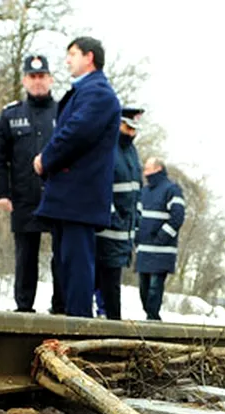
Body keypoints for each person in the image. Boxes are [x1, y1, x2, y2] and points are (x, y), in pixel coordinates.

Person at [32, 36, 121, 318]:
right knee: (65, 264)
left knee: (77, 265)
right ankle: (69, 320)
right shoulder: (85, 92)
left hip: (79, 198)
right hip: (69, 197)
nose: (67, 60)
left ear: (89, 57)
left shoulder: (98, 94)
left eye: (72, 54)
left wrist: (46, 159)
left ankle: (79, 324)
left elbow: (76, 133)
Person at [0, 53, 57, 312]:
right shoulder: (11, 114)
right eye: (32, 76)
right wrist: (0, 193)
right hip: (23, 195)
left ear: (50, 79)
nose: (37, 81)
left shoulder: (63, 112)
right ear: (25, 80)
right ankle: (24, 308)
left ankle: (60, 307)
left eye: (42, 76)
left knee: (62, 256)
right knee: (25, 257)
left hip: (57, 196)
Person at [95, 107, 144, 320]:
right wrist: (112, 216)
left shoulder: (131, 152)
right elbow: (100, 186)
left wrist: (137, 217)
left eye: (134, 129)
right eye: (127, 127)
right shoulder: (107, 148)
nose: (131, 133)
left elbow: (137, 188)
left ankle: (111, 321)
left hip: (125, 232)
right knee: (103, 281)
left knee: (111, 282)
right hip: (107, 230)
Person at [134, 157, 186, 321]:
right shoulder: (143, 192)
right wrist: (137, 236)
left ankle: (152, 320)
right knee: (143, 289)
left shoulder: (172, 190)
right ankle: (151, 317)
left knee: (154, 289)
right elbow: (137, 216)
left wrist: (161, 237)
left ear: (157, 169)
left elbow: (177, 217)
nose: (144, 171)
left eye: (147, 168)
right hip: (144, 249)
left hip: (162, 250)